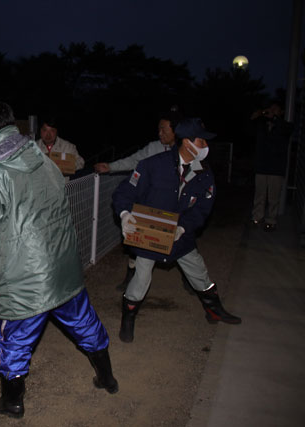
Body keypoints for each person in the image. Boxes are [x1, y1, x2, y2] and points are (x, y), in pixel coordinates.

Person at [0, 102, 117, 419]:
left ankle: (12, 402)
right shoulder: (41, 157)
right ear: (12, 126)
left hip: (25, 278)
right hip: (62, 264)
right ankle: (107, 377)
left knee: (15, 340)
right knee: (84, 321)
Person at [112, 118, 241, 344]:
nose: (205, 146)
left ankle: (214, 309)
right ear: (187, 142)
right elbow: (123, 193)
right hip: (149, 235)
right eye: (201, 140)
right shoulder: (153, 165)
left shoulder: (204, 174)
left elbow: (202, 209)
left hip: (181, 235)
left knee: (199, 272)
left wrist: (183, 227)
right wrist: (125, 215)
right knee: (141, 278)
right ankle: (128, 317)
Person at [94, 111, 184, 291]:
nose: (159, 133)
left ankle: (191, 280)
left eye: (163, 129)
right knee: (139, 244)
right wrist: (111, 167)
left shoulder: (185, 151)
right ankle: (130, 278)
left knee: (182, 241)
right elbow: (134, 160)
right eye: (158, 129)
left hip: (173, 206)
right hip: (150, 205)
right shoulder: (153, 148)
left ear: (176, 131)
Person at [250, 102, 293, 231]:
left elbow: (285, 131)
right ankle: (257, 217)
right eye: (271, 108)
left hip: (276, 168)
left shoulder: (285, 125)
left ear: (281, 112)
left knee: (274, 197)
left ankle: (271, 220)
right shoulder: (261, 124)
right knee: (259, 195)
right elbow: (249, 130)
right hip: (262, 165)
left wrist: (275, 117)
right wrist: (255, 117)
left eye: (275, 109)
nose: (272, 110)